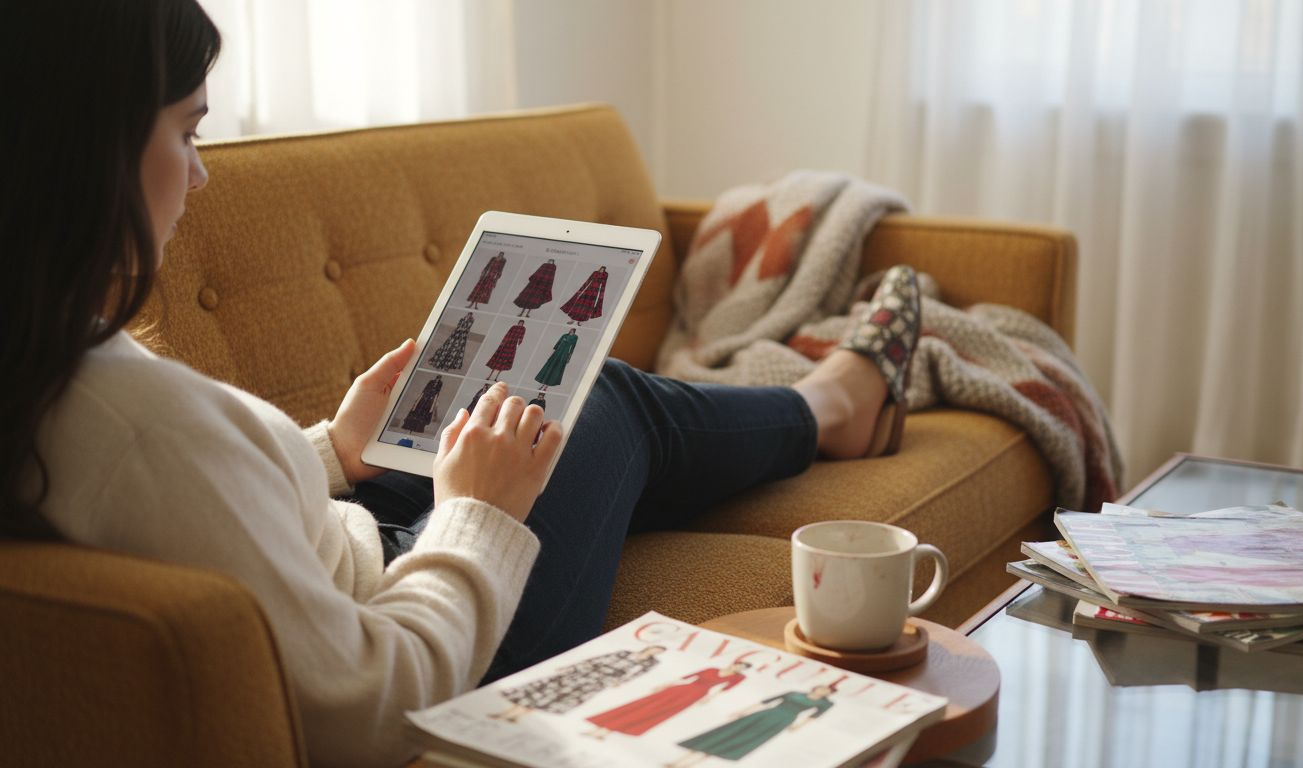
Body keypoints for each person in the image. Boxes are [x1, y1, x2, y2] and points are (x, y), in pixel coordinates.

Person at [0, 2, 920, 767]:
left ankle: (812, 412)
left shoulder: (43, 365)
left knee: (513, 415)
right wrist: (476, 514)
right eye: (187, 131)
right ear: (90, 149)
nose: (200, 174)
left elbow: (197, 505)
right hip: (449, 670)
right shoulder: (139, 428)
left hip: (355, 547)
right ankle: (830, 408)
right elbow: (372, 703)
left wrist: (335, 452)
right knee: (597, 402)